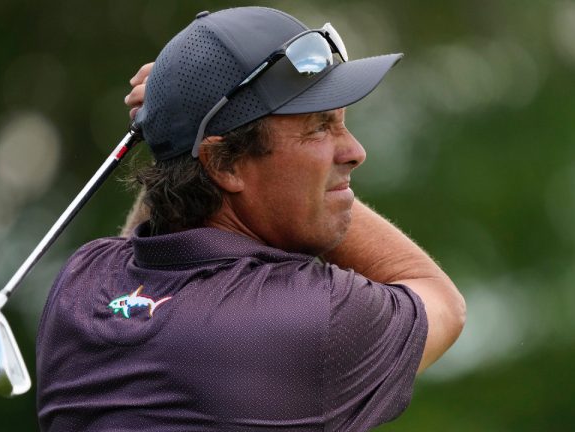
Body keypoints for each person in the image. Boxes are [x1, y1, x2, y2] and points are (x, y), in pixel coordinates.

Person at [36, 6, 465, 432]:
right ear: (225, 165)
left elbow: (151, 235)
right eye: (319, 127)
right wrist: (179, 117)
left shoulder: (79, 286)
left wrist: (178, 124)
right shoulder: (308, 316)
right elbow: (441, 303)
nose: (354, 151)